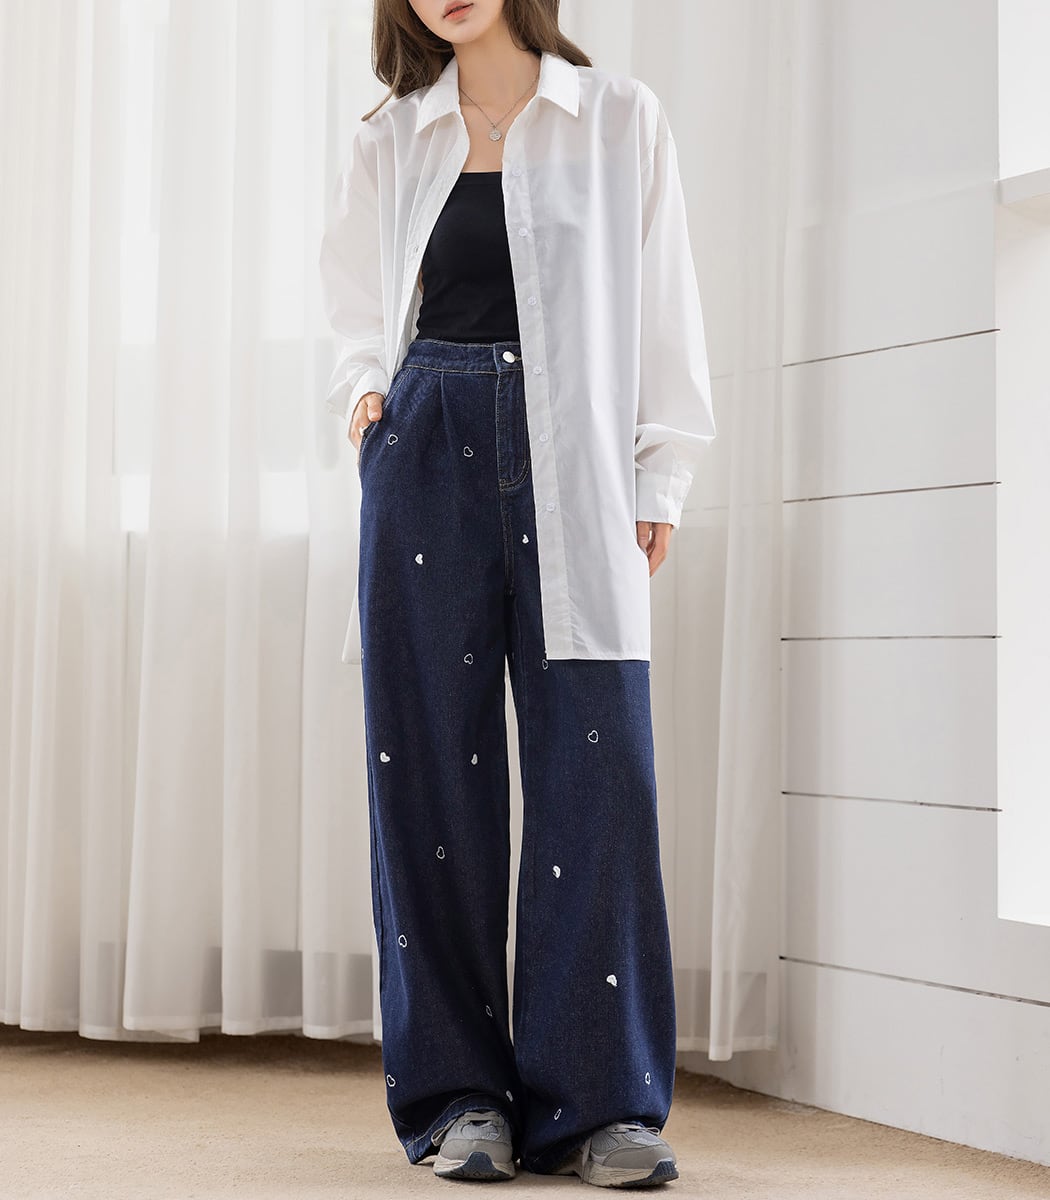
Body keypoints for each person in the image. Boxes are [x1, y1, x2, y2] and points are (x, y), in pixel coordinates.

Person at [318, 0, 715, 1188]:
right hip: (425, 445)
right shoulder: (390, 137)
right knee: (428, 778)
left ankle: (601, 1106)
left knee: (599, 775)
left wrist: (662, 470)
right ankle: (456, 1101)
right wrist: (364, 395)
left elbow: (665, 301)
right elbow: (353, 305)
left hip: (577, 461)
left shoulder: (620, 119)